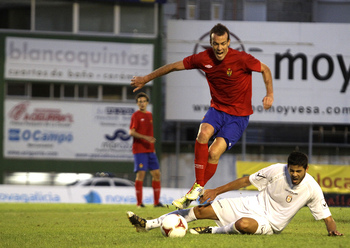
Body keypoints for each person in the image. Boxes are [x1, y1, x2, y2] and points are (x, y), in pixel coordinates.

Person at [130, 23, 274, 209]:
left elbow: (265, 69)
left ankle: (197, 187)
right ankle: (198, 187)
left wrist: (269, 94)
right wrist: (146, 79)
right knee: (202, 134)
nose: (220, 48)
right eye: (216, 44)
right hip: (217, 110)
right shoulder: (203, 58)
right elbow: (174, 66)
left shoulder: (242, 59)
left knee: (214, 152)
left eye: (223, 43)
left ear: (229, 42)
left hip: (238, 117)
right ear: (211, 43)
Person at [127, 151, 343, 236]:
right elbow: (244, 180)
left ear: (306, 170)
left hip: (270, 223)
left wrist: (332, 231)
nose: (294, 175)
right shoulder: (276, 171)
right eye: (292, 170)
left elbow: (327, 217)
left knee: (243, 226)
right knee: (199, 210)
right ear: (287, 167)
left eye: (298, 171)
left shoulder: (312, 187)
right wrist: (216, 191)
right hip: (251, 204)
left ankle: (211, 231)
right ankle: (148, 224)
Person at [129, 92, 164, 208]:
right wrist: (145, 138)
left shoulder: (149, 115)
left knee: (157, 174)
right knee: (141, 175)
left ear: (147, 103)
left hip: (150, 150)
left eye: (144, 101)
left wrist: (150, 143)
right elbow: (131, 132)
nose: (142, 103)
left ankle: (156, 202)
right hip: (139, 150)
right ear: (137, 104)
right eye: (140, 102)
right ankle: (139, 203)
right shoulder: (136, 115)